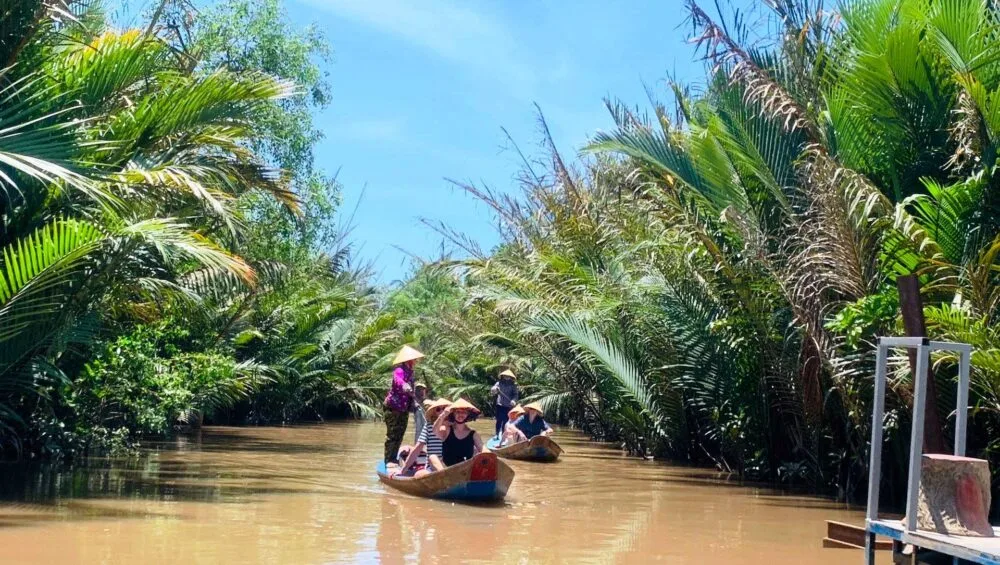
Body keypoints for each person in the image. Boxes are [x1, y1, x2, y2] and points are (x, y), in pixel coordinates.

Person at [383, 345, 424, 463]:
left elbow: (411, 392)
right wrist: (405, 385)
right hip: (393, 408)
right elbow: (398, 380)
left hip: (403, 408)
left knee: (400, 434)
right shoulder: (399, 370)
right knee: (392, 435)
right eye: (414, 359)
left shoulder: (410, 373)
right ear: (408, 360)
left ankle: (393, 459)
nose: (415, 361)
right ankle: (389, 460)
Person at [396, 398, 450, 477]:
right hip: (433, 467)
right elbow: (417, 449)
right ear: (435, 412)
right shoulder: (429, 426)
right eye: (438, 409)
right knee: (422, 471)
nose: (442, 411)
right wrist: (403, 470)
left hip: (450, 465)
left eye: (444, 408)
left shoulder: (454, 426)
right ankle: (445, 476)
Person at [431, 398, 485, 468]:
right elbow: (435, 431)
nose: (461, 414)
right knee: (432, 457)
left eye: (464, 412)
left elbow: (482, 447)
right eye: (458, 412)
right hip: (447, 469)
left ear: (468, 414)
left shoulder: (473, 434)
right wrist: (443, 415)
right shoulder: (447, 430)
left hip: (465, 469)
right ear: (453, 414)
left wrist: (488, 453)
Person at [489, 369, 519, 439]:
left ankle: (503, 435)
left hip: (508, 405)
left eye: (508, 376)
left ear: (511, 377)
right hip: (500, 404)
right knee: (499, 420)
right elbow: (493, 391)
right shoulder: (499, 383)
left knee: (506, 421)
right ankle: (497, 434)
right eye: (505, 376)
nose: (506, 377)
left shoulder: (513, 385)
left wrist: (513, 400)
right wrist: (494, 389)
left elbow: (515, 395)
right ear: (503, 376)